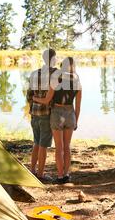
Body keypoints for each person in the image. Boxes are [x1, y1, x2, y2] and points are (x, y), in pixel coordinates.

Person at [33, 57, 82, 184]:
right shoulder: (77, 81)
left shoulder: (56, 78)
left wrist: (35, 98)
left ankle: (60, 176)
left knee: (59, 147)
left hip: (56, 114)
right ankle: (67, 174)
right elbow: (78, 106)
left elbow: (47, 100)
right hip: (70, 114)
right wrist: (76, 121)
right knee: (67, 146)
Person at [26, 48, 57, 183]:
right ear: (53, 59)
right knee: (43, 145)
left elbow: (29, 95)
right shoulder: (55, 74)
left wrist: (32, 106)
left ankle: (32, 170)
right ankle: (40, 174)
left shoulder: (34, 74)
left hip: (34, 112)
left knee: (36, 143)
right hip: (46, 114)